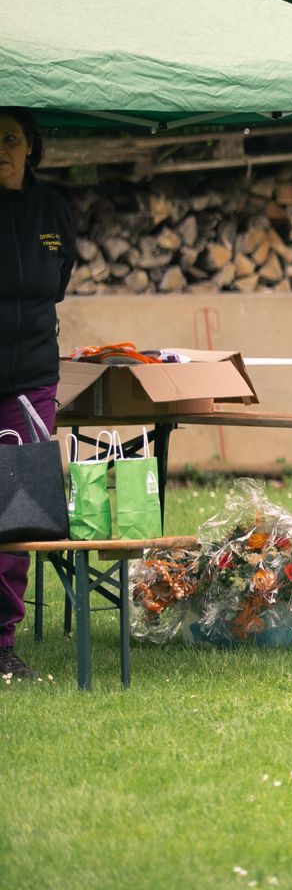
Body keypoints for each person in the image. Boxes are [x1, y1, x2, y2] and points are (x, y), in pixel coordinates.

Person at [0, 107, 74, 684]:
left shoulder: (54, 209)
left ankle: (1, 643)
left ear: (30, 147)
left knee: (17, 514)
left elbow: (59, 280)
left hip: (30, 385)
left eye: (9, 138)